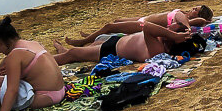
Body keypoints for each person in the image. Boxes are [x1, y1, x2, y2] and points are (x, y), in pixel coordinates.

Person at [53, 20, 191, 65]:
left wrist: (174, 35)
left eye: (173, 28)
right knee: (82, 52)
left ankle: (44, 61)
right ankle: (62, 51)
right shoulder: (160, 38)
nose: (168, 27)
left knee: (73, 54)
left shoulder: (158, 49)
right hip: (117, 41)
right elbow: (145, 27)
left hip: (112, 50)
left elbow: (148, 27)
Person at [64, 5, 213, 46]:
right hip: (143, 18)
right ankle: (90, 36)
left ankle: (83, 41)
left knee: (110, 26)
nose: (193, 9)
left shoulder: (187, 20)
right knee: (115, 22)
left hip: (143, 25)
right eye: (195, 7)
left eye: (196, 10)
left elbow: (199, 22)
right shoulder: (183, 13)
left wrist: (201, 22)